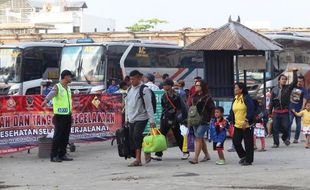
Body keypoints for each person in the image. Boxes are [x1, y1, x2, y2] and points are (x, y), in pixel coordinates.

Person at [41, 70, 74, 162]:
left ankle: (62, 154)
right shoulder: (57, 87)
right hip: (59, 116)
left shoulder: (67, 88)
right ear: (66, 77)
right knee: (58, 136)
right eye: (70, 77)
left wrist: (71, 114)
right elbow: (51, 94)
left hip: (67, 115)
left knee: (65, 136)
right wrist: (45, 101)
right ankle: (54, 156)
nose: (71, 78)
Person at [153, 79, 189, 161]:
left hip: (174, 119)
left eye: (165, 85)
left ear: (169, 85)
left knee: (177, 135)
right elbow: (163, 107)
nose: (163, 86)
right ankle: (158, 154)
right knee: (161, 135)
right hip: (165, 118)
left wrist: (181, 118)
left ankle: (185, 152)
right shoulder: (164, 96)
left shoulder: (176, 95)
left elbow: (181, 107)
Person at [125, 70, 156, 167]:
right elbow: (127, 105)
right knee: (132, 138)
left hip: (142, 117)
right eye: (130, 79)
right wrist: (126, 118)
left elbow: (149, 106)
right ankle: (146, 151)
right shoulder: (129, 89)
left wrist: (152, 120)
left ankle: (138, 160)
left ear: (139, 78)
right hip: (131, 117)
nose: (131, 81)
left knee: (136, 136)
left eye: (133, 79)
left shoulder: (144, 90)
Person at [228, 82, 255, 166]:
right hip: (237, 125)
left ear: (241, 89)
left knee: (248, 144)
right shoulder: (235, 98)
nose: (234, 89)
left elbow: (251, 109)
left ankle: (249, 160)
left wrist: (246, 120)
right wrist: (229, 119)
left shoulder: (246, 98)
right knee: (236, 142)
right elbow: (232, 111)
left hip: (246, 125)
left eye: (236, 88)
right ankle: (243, 156)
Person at [269, 69, 298, 148]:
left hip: (285, 112)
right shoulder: (274, 89)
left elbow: (295, 82)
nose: (284, 80)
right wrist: (269, 112)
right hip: (276, 112)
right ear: (279, 80)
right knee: (275, 128)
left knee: (286, 127)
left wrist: (294, 72)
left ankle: (284, 138)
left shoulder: (288, 88)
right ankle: (276, 143)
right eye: (282, 79)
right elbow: (271, 102)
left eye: (285, 79)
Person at [188, 79, 214, 164]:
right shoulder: (193, 96)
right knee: (200, 138)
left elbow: (212, 109)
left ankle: (195, 158)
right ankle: (207, 155)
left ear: (202, 86)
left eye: (198, 85)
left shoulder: (207, 97)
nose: (196, 87)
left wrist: (211, 119)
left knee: (198, 137)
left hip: (204, 120)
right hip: (195, 119)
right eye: (195, 85)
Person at [289, 75, 308, 143]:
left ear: (303, 82)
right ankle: (288, 138)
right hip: (291, 108)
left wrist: (302, 108)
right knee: (290, 122)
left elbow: (304, 99)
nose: (299, 82)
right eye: (298, 81)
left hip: (299, 109)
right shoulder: (293, 87)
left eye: (300, 81)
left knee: (298, 124)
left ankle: (296, 139)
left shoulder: (304, 90)